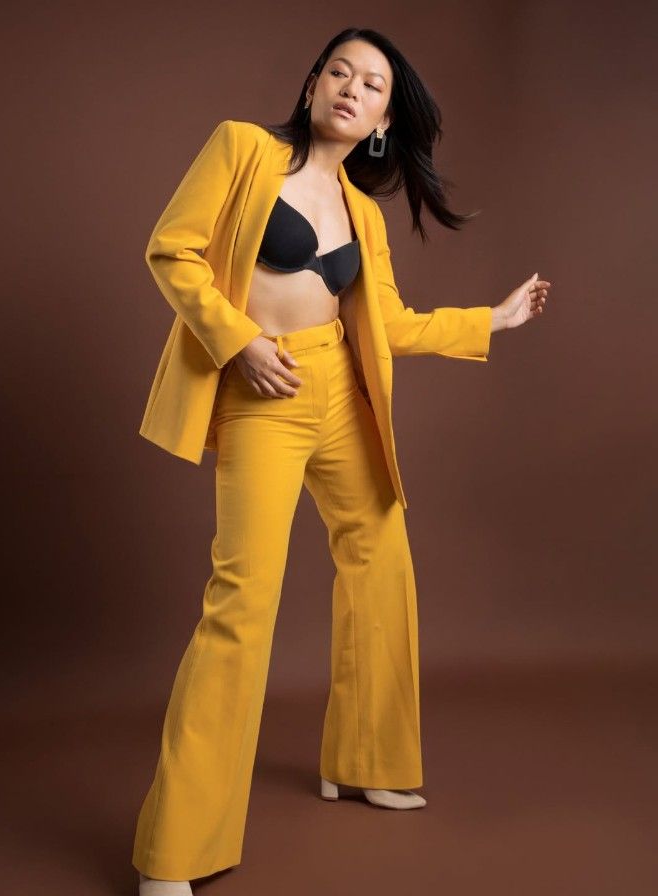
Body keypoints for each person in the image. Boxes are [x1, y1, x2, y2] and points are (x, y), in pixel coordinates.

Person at [132, 26, 551, 896]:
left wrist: (493, 320)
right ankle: (175, 849)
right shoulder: (242, 150)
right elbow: (172, 249)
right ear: (313, 84)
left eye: (372, 85)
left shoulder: (363, 211)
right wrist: (240, 341)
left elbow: (386, 324)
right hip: (264, 389)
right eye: (340, 72)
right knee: (243, 600)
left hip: (340, 394)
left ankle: (366, 762)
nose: (352, 88)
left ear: (383, 122)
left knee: (382, 558)